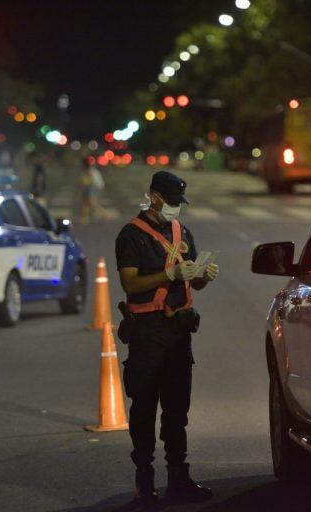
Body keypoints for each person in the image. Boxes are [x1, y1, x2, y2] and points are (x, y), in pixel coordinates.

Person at [115, 170, 219, 508]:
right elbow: (130, 283)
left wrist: (201, 275)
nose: (176, 209)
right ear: (154, 196)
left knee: (177, 409)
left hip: (178, 332)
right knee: (144, 407)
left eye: (179, 203)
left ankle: (179, 479)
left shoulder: (181, 231)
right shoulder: (131, 235)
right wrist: (169, 273)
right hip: (147, 331)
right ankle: (144, 484)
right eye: (172, 202)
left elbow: (193, 280)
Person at [80, 156, 110, 223]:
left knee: (92, 204)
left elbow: (89, 181)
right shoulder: (91, 171)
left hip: (91, 189)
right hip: (90, 189)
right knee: (85, 203)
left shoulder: (91, 172)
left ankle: (105, 215)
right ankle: (84, 218)